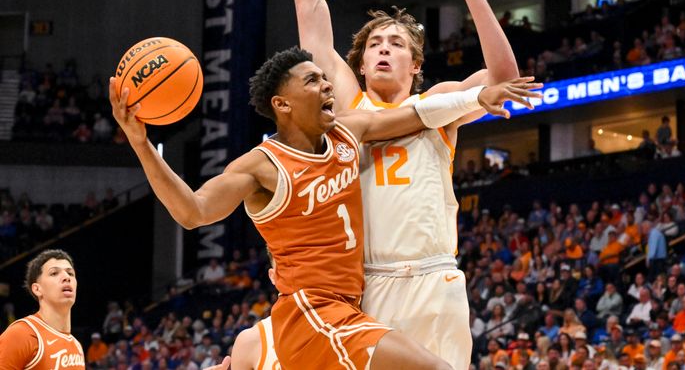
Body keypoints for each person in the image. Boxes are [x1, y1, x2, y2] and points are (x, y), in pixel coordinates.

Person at [109, 48, 533, 370]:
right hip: (312, 311)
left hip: (352, 305)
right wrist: (142, 144)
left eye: (325, 79)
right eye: (312, 81)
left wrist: (479, 96)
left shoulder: (350, 132)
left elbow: (421, 114)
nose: (328, 86)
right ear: (283, 105)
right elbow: (193, 212)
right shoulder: (262, 167)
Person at [286, 0, 525, 370]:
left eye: (396, 43)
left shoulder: (436, 103)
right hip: (370, 283)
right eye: (374, 44)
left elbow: (504, 81)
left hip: (437, 277)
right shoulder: (349, 104)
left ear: (415, 65)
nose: (384, 49)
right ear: (361, 62)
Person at [0, 249, 85, 369]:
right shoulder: (21, 334)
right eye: (54, 273)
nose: (66, 277)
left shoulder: (77, 346)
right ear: (37, 289)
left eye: (70, 273)